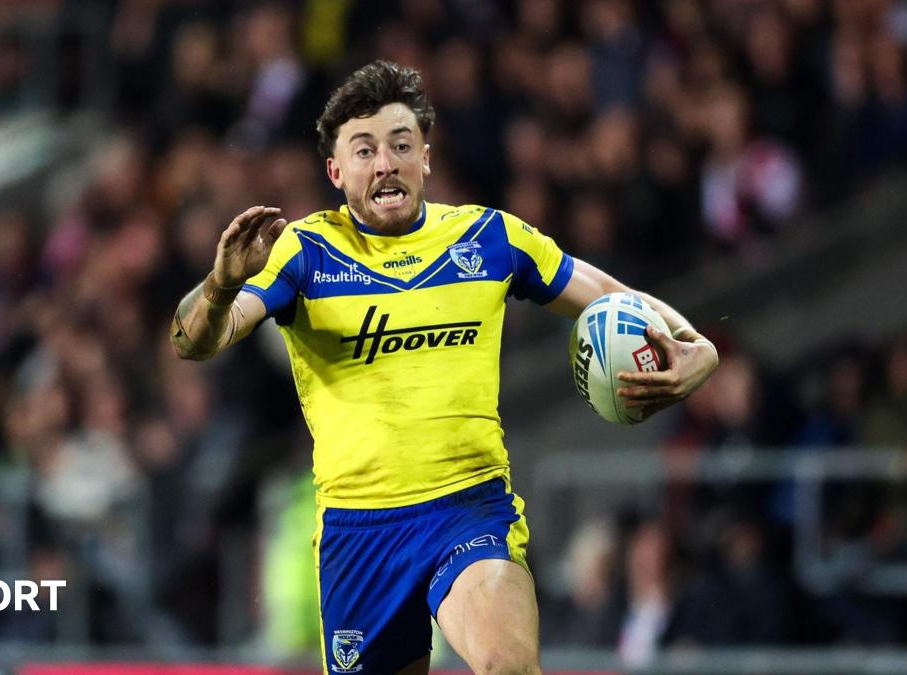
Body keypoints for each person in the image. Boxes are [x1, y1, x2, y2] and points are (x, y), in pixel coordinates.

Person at [169, 61, 718, 675]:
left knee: (508, 666)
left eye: (402, 145)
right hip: (359, 536)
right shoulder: (303, 252)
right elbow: (196, 341)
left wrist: (698, 346)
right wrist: (219, 286)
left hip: (469, 509)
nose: (386, 163)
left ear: (425, 158)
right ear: (337, 171)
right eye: (365, 149)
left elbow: (614, 296)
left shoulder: (488, 239)